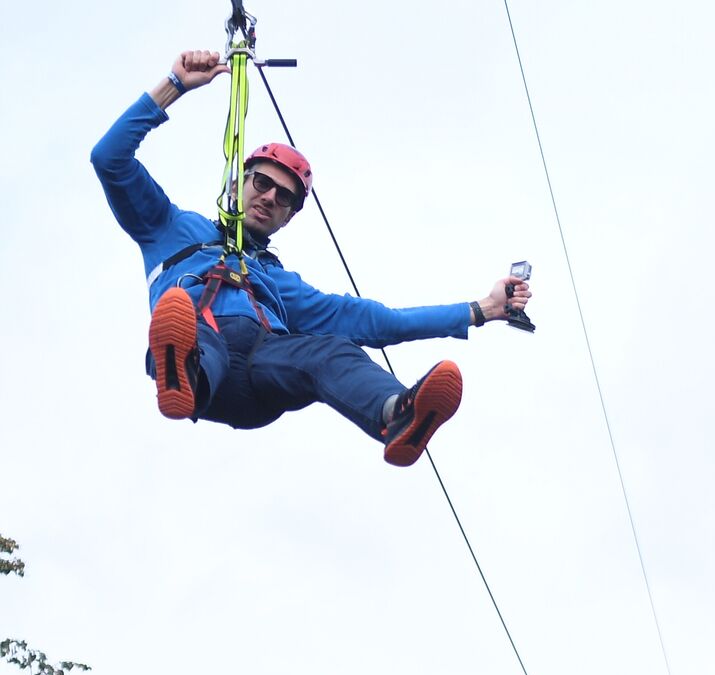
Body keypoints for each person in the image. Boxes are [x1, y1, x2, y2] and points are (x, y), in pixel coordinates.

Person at [91, 50, 532, 467]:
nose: (269, 198)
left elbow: (381, 322)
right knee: (191, 326)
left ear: (288, 218)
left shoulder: (280, 287)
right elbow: (109, 158)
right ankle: (183, 373)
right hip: (207, 355)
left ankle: (398, 414)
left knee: (332, 349)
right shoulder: (173, 230)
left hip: (264, 373)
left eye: (284, 198)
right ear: (239, 182)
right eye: (262, 183)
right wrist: (174, 85)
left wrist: (483, 310)